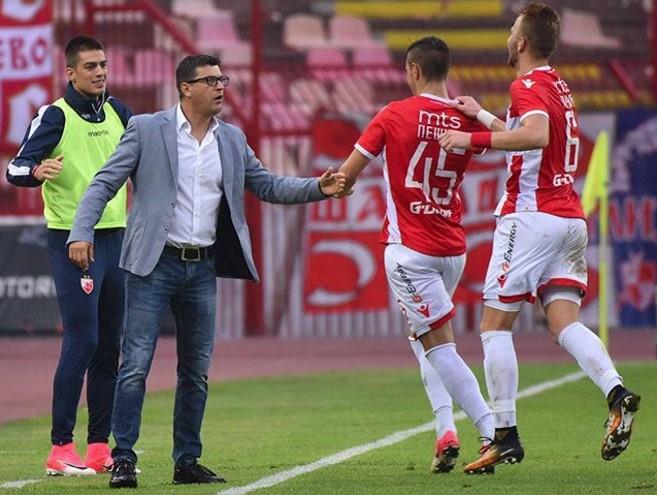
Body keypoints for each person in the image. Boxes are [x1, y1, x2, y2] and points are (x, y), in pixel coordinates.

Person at [67, 54, 345, 489]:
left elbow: (267, 184)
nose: (220, 87)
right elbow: (104, 183)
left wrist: (318, 187)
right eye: (211, 80)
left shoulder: (231, 139)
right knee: (135, 365)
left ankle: (187, 461)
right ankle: (123, 458)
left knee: (195, 372)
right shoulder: (146, 128)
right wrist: (81, 231)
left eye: (222, 79)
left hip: (201, 268)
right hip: (153, 264)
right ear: (186, 88)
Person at [439, 2, 640, 473]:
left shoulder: (525, 85)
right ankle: (616, 392)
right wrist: (482, 116)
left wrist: (469, 139)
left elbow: (535, 136)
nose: (508, 37)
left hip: (530, 218)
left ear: (522, 41)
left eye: (512, 30)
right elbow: (530, 136)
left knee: (494, 326)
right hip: (568, 219)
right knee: (563, 322)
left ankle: (504, 435)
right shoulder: (556, 85)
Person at [335, 36, 495, 474]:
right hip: (452, 249)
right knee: (423, 338)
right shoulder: (465, 118)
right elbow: (506, 137)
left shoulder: (394, 114)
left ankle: (492, 431)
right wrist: (480, 113)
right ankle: (445, 430)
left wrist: (331, 186)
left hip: (410, 251)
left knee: (438, 345)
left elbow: (347, 175)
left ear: (414, 70)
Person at [6, 36, 132, 476]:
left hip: (116, 237)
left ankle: (98, 447)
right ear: (70, 73)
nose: (100, 72)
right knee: (83, 340)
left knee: (109, 347)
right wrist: (36, 170)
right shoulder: (55, 116)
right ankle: (60, 447)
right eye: (91, 66)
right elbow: (15, 167)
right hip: (73, 241)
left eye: (103, 65)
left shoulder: (119, 112)